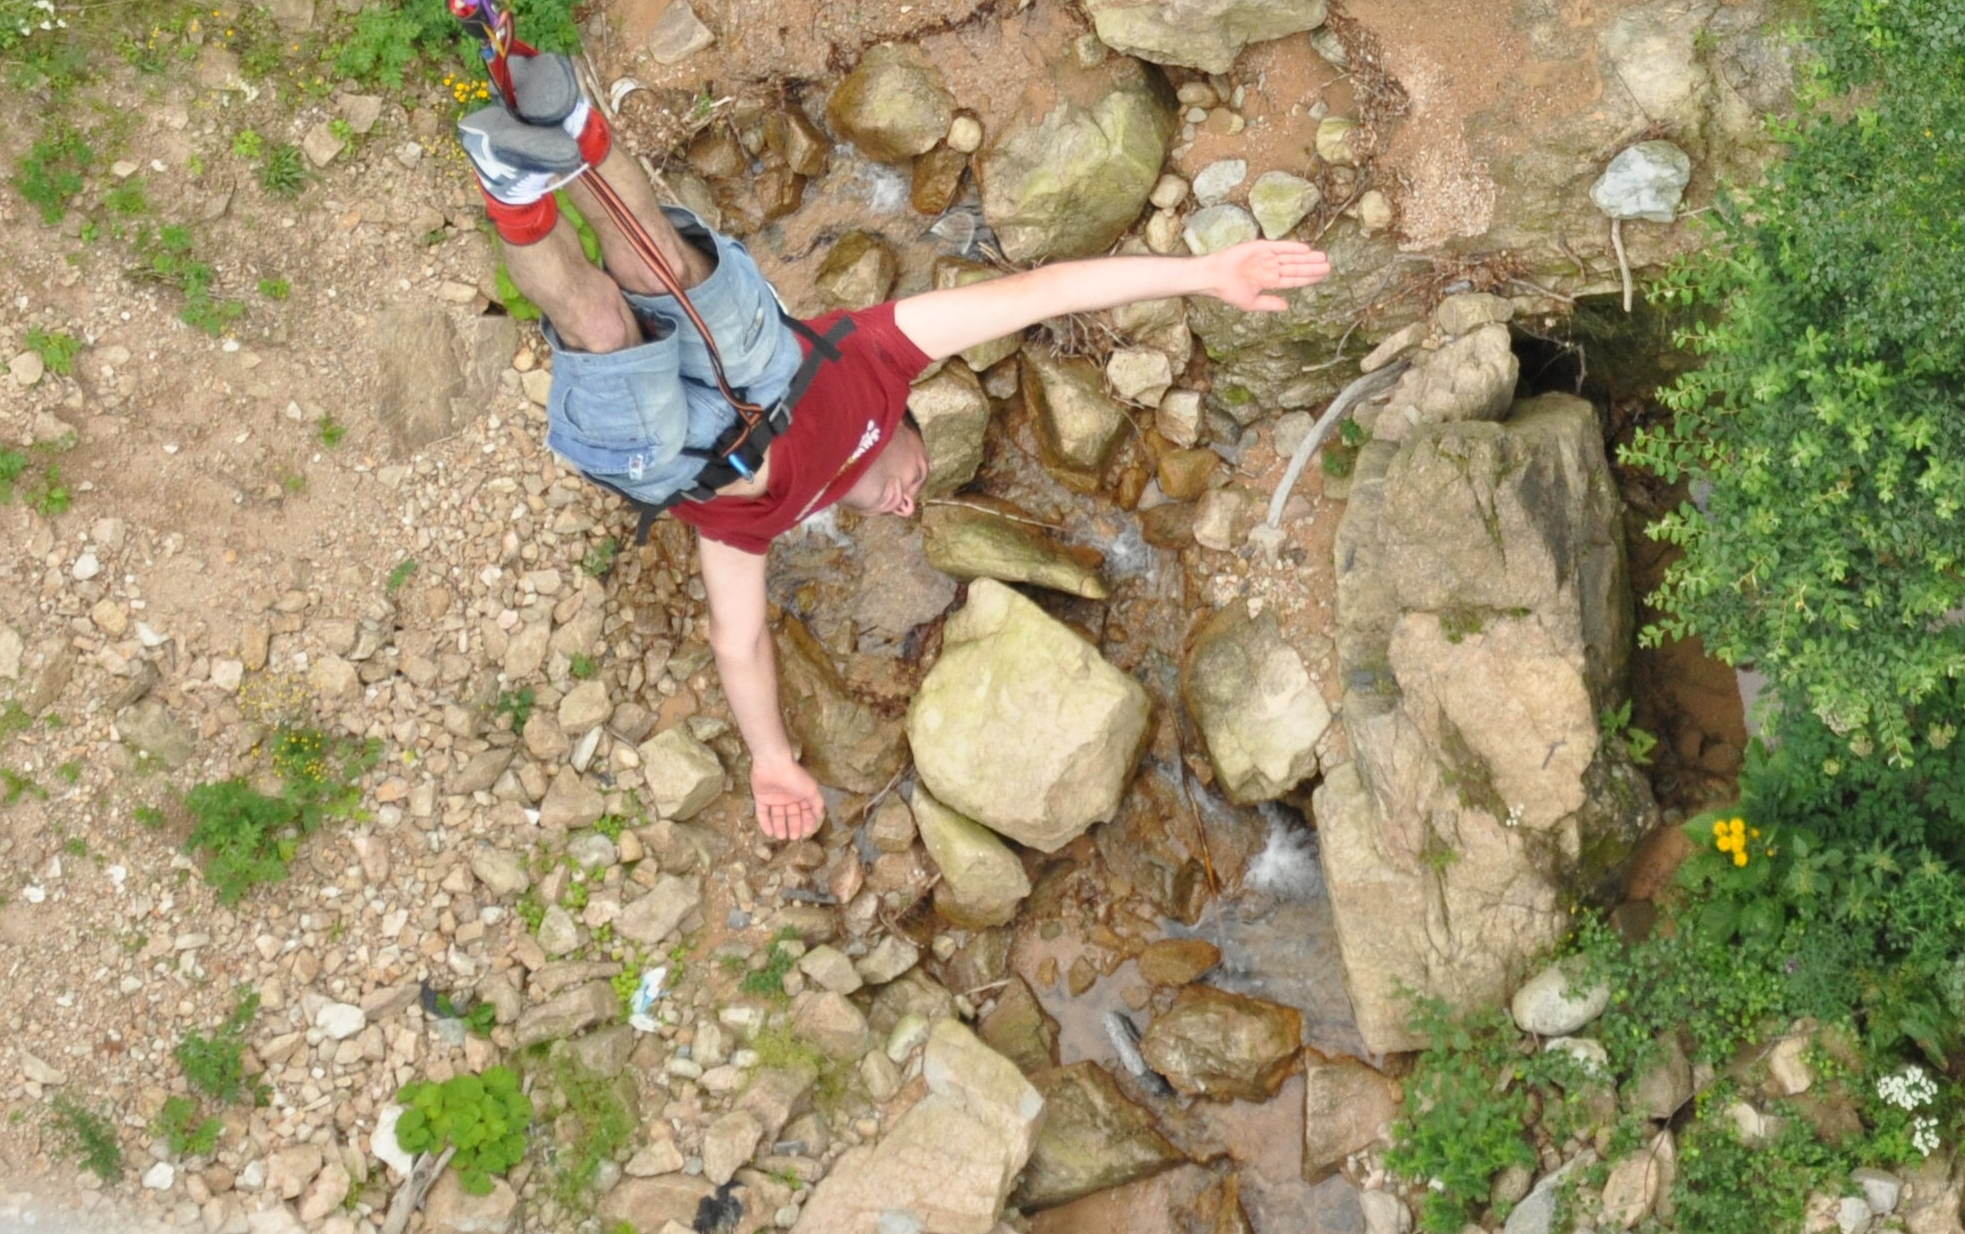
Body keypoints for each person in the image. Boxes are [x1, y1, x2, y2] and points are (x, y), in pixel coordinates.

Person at [458, 63, 1327, 838]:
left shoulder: (749, 528)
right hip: (768, 364)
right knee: (665, 269)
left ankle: (514, 191)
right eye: (920, 480)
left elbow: (739, 640)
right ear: (910, 425)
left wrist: (772, 757)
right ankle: (576, 127)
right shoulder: (881, 355)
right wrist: (1203, 275)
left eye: (906, 506)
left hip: (678, 458)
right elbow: (1043, 292)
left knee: (602, 324)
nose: (908, 502)